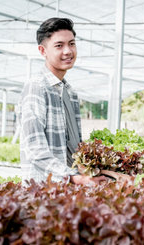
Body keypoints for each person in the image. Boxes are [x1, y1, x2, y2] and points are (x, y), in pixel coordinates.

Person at [19, 17, 106, 185]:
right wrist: (73, 177)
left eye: (72, 44)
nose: (68, 51)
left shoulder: (70, 92)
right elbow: (35, 149)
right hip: (43, 191)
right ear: (43, 51)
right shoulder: (37, 87)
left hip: (68, 191)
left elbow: (73, 147)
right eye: (59, 46)